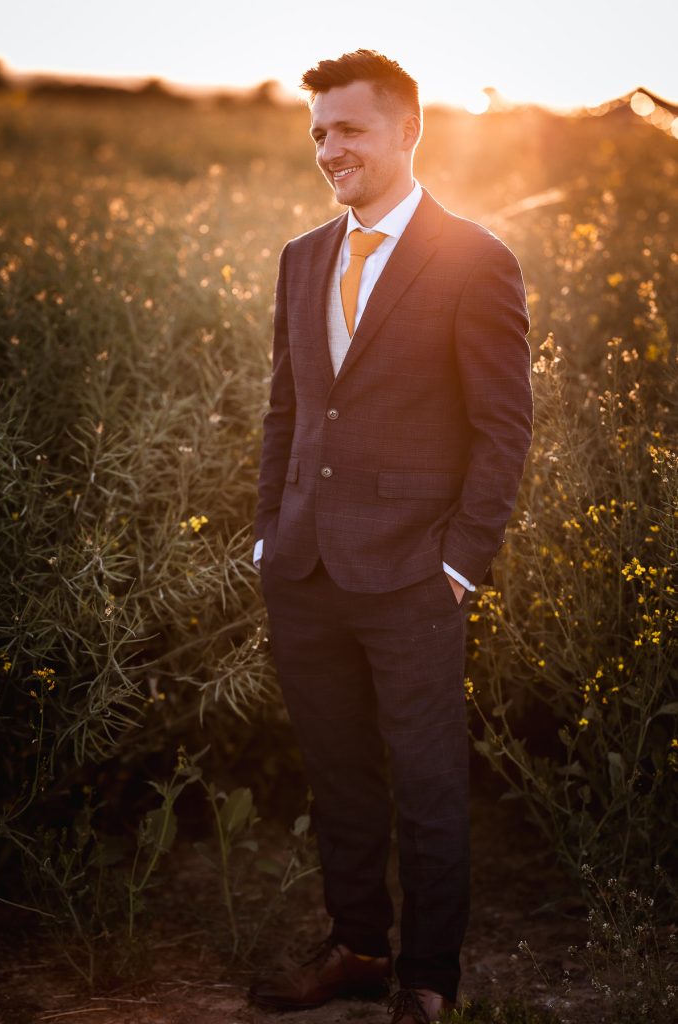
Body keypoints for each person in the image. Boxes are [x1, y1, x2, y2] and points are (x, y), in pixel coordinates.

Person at [249, 49, 533, 1024]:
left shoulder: (473, 258)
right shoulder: (299, 258)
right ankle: (359, 946)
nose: (330, 148)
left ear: (408, 130)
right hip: (303, 569)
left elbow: (503, 429)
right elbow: (286, 413)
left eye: (350, 129)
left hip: (414, 573)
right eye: (319, 130)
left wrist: (457, 565)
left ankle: (427, 977)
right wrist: (265, 538)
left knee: (425, 787)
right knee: (337, 779)